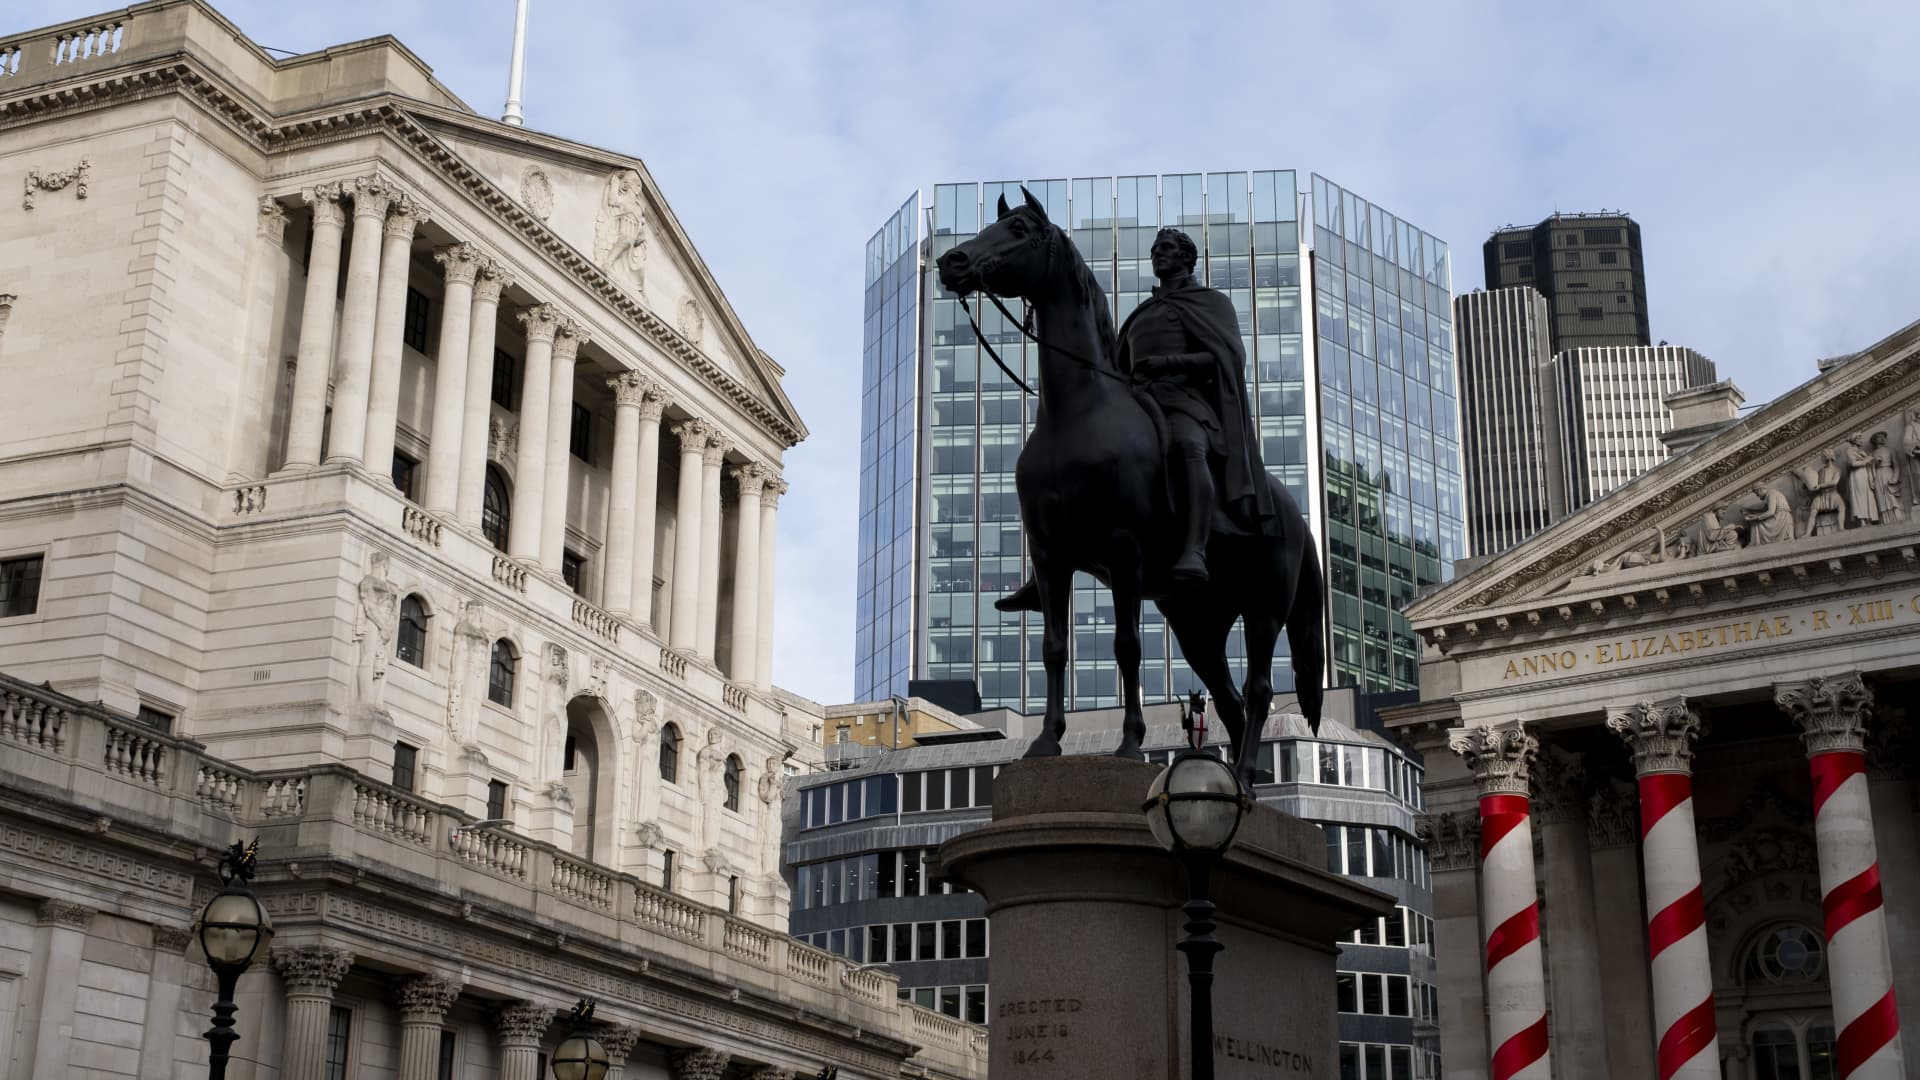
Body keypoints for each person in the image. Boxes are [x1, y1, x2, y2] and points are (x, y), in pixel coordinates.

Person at [995, 227, 1271, 610]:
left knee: (1188, 445)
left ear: (1187, 258)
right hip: (1139, 400)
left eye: (1168, 248)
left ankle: (1195, 548)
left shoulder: (1210, 303)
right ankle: (1044, 569)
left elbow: (1227, 357)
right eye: (1156, 249)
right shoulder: (1142, 313)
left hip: (1185, 402)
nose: (1158, 254)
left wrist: (1169, 363)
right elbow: (1115, 364)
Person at [1842, 434, 1880, 527]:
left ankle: (1868, 519)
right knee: (1859, 496)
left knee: (1868, 494)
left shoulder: (1862, 452)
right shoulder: (1850, 451)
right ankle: (1862, 519)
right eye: (1859, 438)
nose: (1861, 440)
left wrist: (1874, 461)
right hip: (1857, 474)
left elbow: (1868, 462)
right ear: (1854, 440)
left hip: (1865, 474)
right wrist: (1866, 460)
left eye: (1861, 438)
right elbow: (1853, 463)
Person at [1869, 431, 1903, 522]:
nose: (1882, 439)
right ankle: (1885, 520)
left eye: (1883, 437)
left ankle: (1897, 518)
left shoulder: (1890, 450)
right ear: (1875, 440)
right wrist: (1875, 463)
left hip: (1888, 473)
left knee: (1891, 497)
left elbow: (1896, 465)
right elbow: (1869, 468)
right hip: (1877, 475)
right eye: (1879, 437)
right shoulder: (1872, 454)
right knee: (1881, 498)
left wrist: (1895, 478)